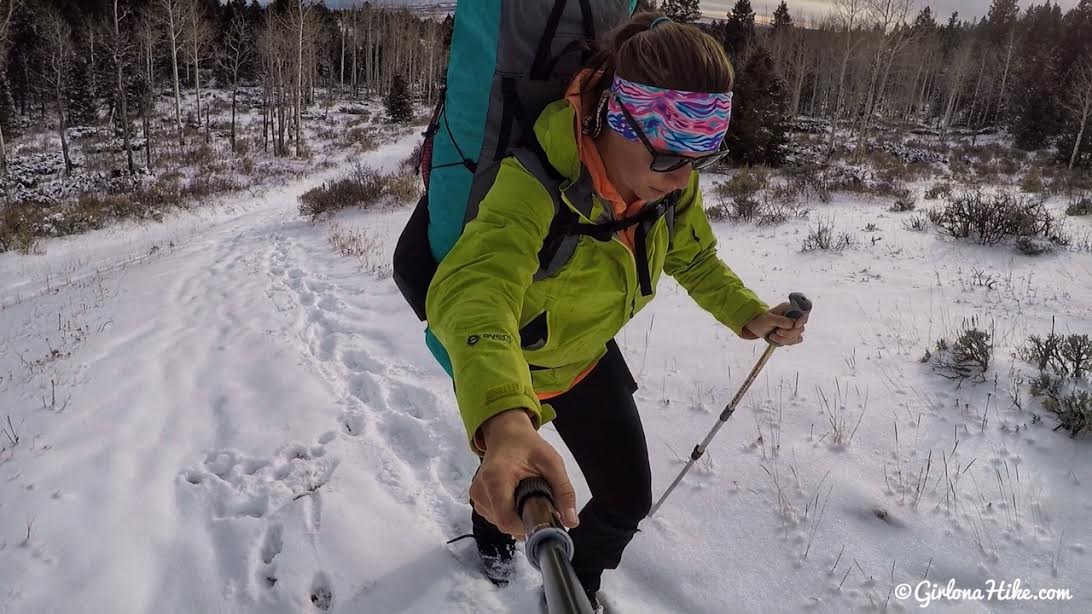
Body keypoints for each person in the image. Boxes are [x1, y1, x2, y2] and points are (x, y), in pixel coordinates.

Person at [426, 12, 809, 610]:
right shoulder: (534, 180)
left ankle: (584, 580)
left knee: (627, 498)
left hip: (585, 357)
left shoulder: (672, 184)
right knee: (511, 476)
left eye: (699, 157)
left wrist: (750, 315)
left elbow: (696, 257)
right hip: (511, 363)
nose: (681, 176)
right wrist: (503, 418)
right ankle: (493, 540)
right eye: (667, 155)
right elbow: (476, 289)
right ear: (613, 113)